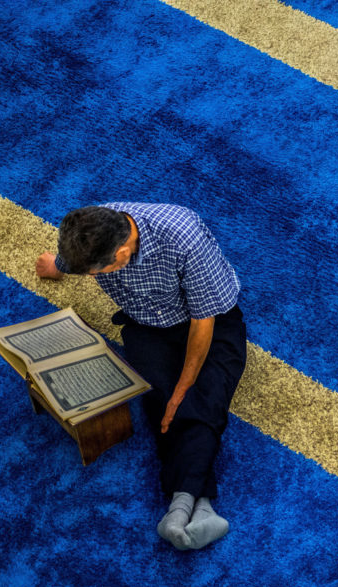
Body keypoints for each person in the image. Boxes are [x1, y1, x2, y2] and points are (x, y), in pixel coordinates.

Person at [36, 203, 247, 551]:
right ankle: (196, 507)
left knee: (204, 397)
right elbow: (76, 259)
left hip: (211, 321)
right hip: (146, 325)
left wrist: (183, 388)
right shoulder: (92, 232)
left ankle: (181, 505)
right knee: (160, 404)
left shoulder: (184, 236)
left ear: (122, 253)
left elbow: (203, 321)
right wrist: (55, 267)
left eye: (98, 272)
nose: (93, 277)